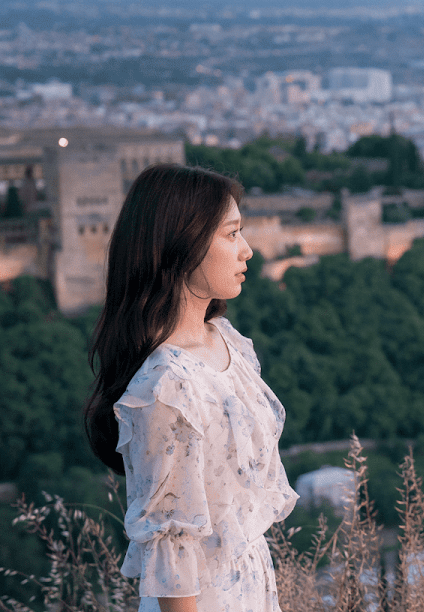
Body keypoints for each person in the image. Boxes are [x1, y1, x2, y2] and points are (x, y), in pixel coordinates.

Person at [84, 163, 298, 612]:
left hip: (251, 588)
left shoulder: (225, 340)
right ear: (182, 246)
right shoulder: (165, 389)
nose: (248, 251)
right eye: (231, 234)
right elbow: (171, 550)